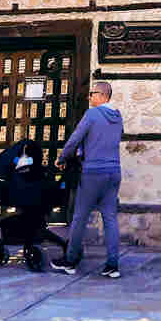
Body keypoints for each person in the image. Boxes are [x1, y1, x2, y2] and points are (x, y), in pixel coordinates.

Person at [51, 81, 124, 278]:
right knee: (110, 218)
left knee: (79, 217)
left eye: (91, 93)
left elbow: (75, 138)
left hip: (93, 172)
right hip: (114, 171)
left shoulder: (92, 114)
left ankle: (70, 260)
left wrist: (62, 158)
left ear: (101, 95)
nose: (89, 97)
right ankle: (112, 265)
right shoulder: (118, 117)